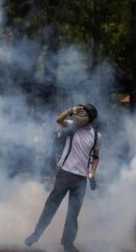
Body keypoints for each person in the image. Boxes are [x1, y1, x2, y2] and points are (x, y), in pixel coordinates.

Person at [25, 103, 101, 252]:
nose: (79, 116)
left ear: (91, 118)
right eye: (79, 113)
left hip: (81, 179)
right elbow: (59, 120)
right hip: (64, 174)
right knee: (51, 206)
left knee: (73, 214)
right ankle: (36, 234)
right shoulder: (72, 126)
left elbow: (96, 156)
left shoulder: (97, 136)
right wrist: (70, 111)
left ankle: (68, 244)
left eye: (83, 114)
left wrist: (92, 173)